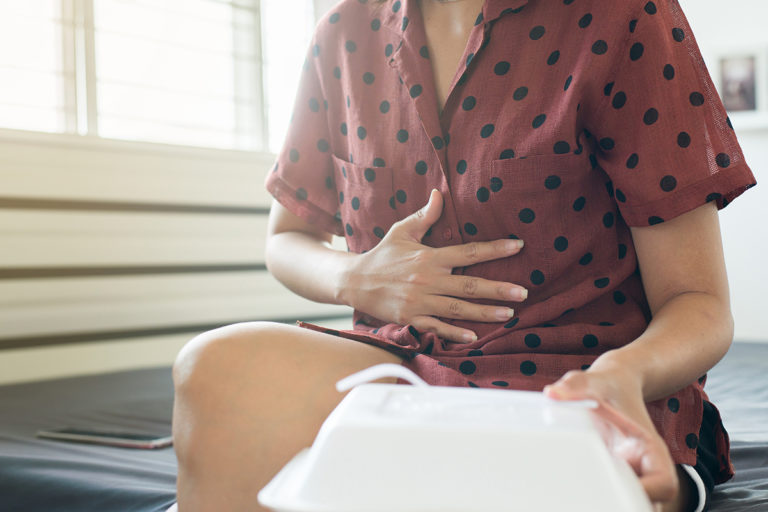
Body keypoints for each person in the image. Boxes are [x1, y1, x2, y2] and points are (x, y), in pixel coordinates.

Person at [170, 0, 757, 511]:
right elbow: (285, 241)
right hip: (397, 370)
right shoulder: (341, 34)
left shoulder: (622, 15)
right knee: (213, 369)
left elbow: (699, 303)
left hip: (573, 380)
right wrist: (357, 277)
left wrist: (621, 377)